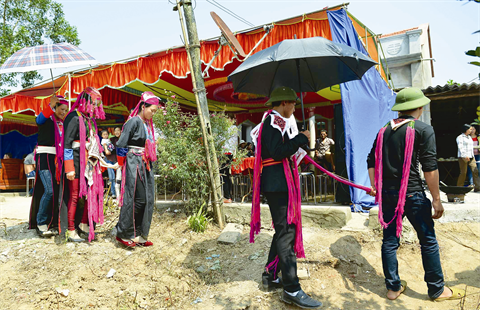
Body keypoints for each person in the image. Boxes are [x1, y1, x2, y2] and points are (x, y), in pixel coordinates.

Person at [367, 87, 465, 301]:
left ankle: (393, 288)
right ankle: (437, 290)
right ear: (419, 107)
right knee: (428, 240)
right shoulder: (422, 129)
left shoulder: (383, 130)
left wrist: (375, 185)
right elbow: (429, 167)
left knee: (390, 241)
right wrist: (437, 200)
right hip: (412, 194)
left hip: (388, 195)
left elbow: (370, 160)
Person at [250, 87, 322, 309]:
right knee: (286, 232)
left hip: (279, 182)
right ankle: (291, 288)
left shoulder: (272, 122)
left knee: (284, 229)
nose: (293, 107)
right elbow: (277, 151)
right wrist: (300, 138)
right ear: (283, 103)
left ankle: (271, 275)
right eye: (292, 103)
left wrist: (297, 140)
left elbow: (278, 149)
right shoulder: (274, 121)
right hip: (278, 183)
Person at [59, 87, 108, 242]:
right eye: (93, 104)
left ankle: (84, 224)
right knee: (74, 196)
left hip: (90, 164)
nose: (95, 107)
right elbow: (67, 144)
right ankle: (71, 230)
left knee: (89, 195)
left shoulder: (91, 121)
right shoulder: (73, 117)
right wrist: (69, 169)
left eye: (96, 105)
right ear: (85, 101)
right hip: (75, 162)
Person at [115, 92, 159, 248]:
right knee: (134, 198)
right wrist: (122, 164)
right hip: (134, 162)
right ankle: (123, 234)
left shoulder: (147, 124)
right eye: (151, 110)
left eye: (155, 111)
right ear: (143, 106)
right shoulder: (133, 121)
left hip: (145, 163)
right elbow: (121, 144)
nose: (152, 114)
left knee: (146, 199)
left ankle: (140, 235)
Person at [29, 96, 68, 237]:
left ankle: (53, 222)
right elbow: (38, 120)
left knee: (57, 191)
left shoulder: (63, 123)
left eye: (66, 110)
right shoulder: (47, 119)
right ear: (55, 107)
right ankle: (41, 222)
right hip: (44, 157)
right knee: (49, 190)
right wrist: (49, 107)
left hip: (57, 160)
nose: (64, 112)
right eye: (61, 109)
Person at [456, 124, 480, 191]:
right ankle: (459, 187)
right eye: (470, 129)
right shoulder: (460, 137)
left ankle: (478, 187)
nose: (471, 130)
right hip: (463, 157)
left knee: (475, 171)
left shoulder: (469, 137)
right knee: (463, 172)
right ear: (466, 130)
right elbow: (460, 147)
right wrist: (464, 155)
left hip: (471, 156)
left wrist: (472, 156)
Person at [221, 117, 239, 203]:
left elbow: (221, 140)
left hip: (225, 152)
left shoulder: (230, 128)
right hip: (229, 153)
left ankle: (227, 196)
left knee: (223, 174)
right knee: (226, 175)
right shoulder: (234, 128)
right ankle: (228, 196)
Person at [101, 129, 117, 198]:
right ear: (101, 136)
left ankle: (114, 192)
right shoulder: (102, 143)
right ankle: (113, 193)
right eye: (104, 134)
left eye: (106, 134)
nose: (105, 135)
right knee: (112, 177)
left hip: (114, 159)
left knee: (116, 177)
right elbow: (107, 152)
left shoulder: (110, 140)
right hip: (108, 160)